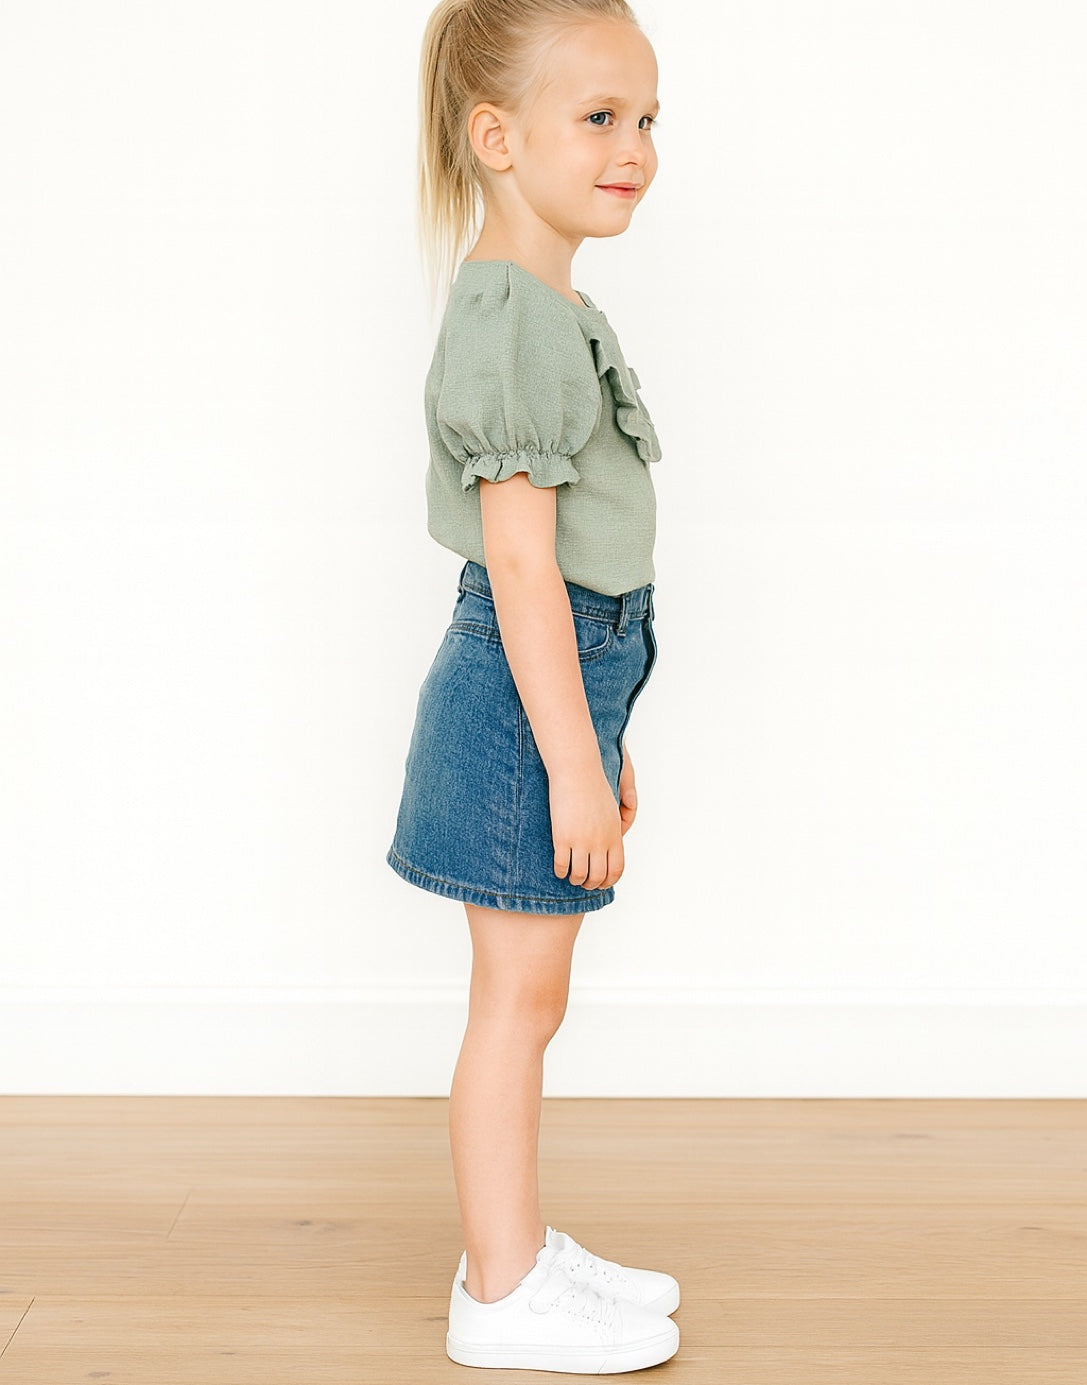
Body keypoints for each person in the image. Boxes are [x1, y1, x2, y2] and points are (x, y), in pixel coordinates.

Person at [387, 0, 680, 1371]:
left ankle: (511, 1247)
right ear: (496, 138)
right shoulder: (510, 315)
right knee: (517, 1001)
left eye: (649, 120)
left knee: (530, 995)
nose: (637, 148)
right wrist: (566, 753)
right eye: (603, 118)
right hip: (522, 691)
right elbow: (520, 566)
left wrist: (601, 735)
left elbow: (569, 569)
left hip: (560, 687)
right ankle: (500, 1293)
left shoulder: (549, 298)